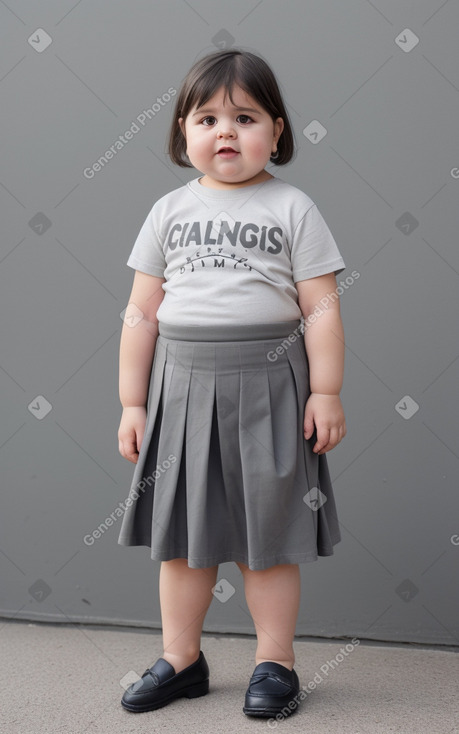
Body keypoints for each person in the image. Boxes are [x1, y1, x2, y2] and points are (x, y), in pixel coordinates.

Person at [117, 48, 347, 719]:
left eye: (244, 118)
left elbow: (322, 309)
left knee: (266, 540)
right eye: (207, 118)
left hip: (270, 388)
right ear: (181, 133)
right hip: (181, 389)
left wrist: (325, 390)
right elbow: (140, 314)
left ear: (275, 131)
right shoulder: (166, 212)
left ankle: (275, 662)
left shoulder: (293, 207)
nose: (225, 132)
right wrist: (132, 402)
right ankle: (181, 658)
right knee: (184, 543)